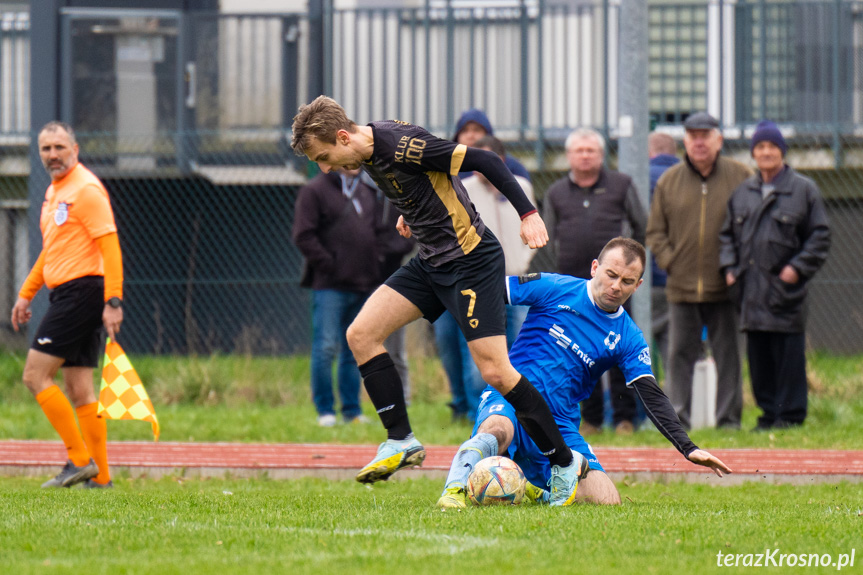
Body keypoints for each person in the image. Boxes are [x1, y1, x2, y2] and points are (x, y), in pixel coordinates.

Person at [291, 95, 587, 506]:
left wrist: (528, 213)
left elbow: (485, 160)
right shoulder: (368, 148)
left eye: (324, 156)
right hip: (431, 261)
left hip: (470, 261)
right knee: (361, 334)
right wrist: (411, 210)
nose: (324, 168)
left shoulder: (399, 145)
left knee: (497, 372)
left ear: (343, 136)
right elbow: (421, 180)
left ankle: (563, 461)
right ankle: (400, 440)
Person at [436, 238, 732, 508]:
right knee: (498, 429)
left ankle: (532, 489)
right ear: (595, 268)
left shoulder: (628, 337)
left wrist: (688, 447)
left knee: (607, 500)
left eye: (627, 281)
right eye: (611, 275)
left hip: (559, 421)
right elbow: (486, 291)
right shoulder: (554, 288)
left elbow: (651, 395)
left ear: (638, 286)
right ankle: (454, 490)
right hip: (512, 398)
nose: (616, 286)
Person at [11, 121, 123, 489]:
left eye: (59, 147)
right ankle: (101, 477)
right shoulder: (54, 193)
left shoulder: (86, 190)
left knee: (34, 375)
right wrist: (26, 293)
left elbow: (110, 247)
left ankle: (78, 461)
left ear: (75, 149)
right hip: (69, 293)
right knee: (79, 390)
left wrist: (113, 300)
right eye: (46, 149)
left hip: (82, 293)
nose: (53, 155)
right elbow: (51, 251)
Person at [719, 121, 830, 430]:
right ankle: (768, 415)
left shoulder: (803, 190)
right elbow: (726, 236)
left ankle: (791, 416)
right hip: (750, 291)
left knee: (788, 358)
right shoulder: (743, 193)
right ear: (753, 153)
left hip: (785, 292)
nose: (766, 152)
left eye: (771, 147)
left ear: (782, 151)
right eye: (760, 147)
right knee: (759, 359)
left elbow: (820, 236)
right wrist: (729, 270)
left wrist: (796, 269)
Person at [646, 112, 752, 429]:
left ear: (719, 140)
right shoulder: (669, 181)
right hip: (681, 287)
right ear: (685, 142)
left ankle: (729, 420)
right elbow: (655, 232)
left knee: (729, 356)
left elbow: (752, 226)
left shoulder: (741, 176)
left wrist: (737, 267)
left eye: (706, 135)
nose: (699, 142)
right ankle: (677, 420)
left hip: (725, 287)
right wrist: (670, 262)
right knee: (679, 357)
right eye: (693, 136)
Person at [543, 127, 647, 436]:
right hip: (575, 287)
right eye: (579, 150)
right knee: (577, 352)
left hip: (615, 288)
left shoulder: (621, 185)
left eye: (591, 150)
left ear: (601, 156)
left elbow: (642, 226)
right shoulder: (555, 192)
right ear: (569, 156)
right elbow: (547, 235)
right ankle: (589, 419)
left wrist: (624, 267)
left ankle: (625, 418)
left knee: (617, 350)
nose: (585, 155)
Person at [293, 168, 380, 426]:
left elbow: (377, 232)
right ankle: (325, 411)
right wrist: (331, 264)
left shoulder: (367, 191)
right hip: (329, 286)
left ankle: (352, 411)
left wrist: (376, 263)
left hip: (364, 284)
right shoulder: (314, 191)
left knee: (355, 349)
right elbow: (303, 235)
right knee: (326, 347)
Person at [647, 131, 680, 370]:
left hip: (646, 278)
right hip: (683, 280)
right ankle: (676, 406)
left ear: (650, 152)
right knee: (677, 353)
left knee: (639, 351)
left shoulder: (640, 177)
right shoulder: (689, 178)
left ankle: (645, 406)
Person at [452, 108, 530, 180]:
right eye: (464, 131)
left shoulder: (510, 166)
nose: (470, 136)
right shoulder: (450, 167)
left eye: (476, 130)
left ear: (488, 135)